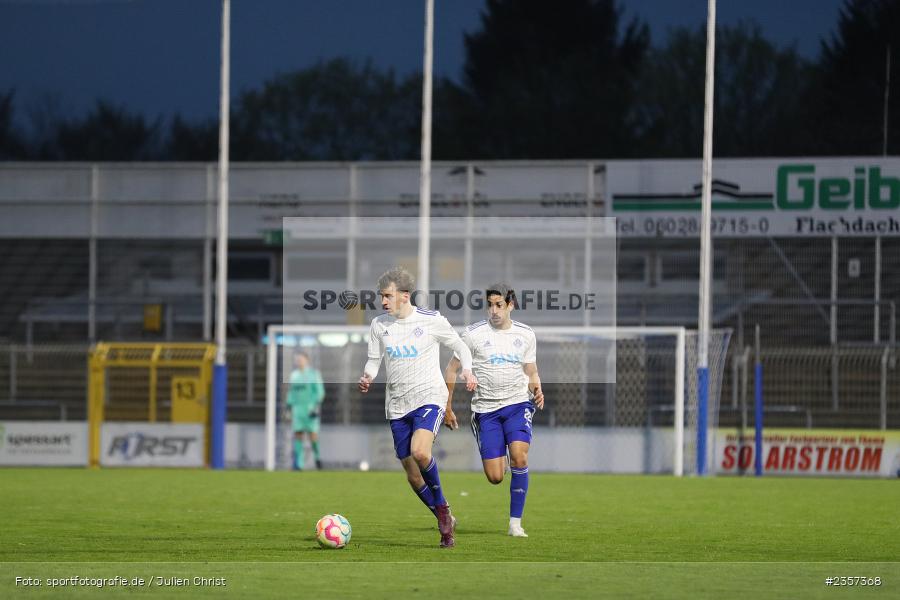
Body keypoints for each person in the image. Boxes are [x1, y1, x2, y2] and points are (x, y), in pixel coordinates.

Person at [358, 267, 477, 548]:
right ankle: (441, 509)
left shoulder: (432, 321)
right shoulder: (379, 325)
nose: (383, 301)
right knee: (412, 474)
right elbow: (374, 360)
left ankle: (444, 517)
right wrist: (368, 376)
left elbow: (461, 347)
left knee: (420, 451)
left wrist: (468, 371)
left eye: (387, 296)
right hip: (397, 405)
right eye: (381, 296)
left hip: (429, 397)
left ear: (404, 296)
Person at [444, 283, 544, 538]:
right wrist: (447, 405)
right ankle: (503, 460)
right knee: (495, 477)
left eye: (499, 305)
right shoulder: (472, 334)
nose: (494, 310)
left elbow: (530, 368)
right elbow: (451, 369)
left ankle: (515, 524)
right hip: (485, 410)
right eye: (490, 305)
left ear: (511, 305)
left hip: (517, 404)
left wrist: (536, 385)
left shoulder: (526, 334)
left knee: (520, 457)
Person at [285, 351, 325, 470]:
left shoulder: (313, 374)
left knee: (313, 435)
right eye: (297, 360)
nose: (299, 361)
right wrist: (288, 407)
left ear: (307, 360)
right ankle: (299, 464)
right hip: (298, 410)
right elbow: (291, 392)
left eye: (301, 359)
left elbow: (320, 392)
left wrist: (316, 406)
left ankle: (317, 458)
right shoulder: (294, 375)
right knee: (298, 435)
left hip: (310, 408)